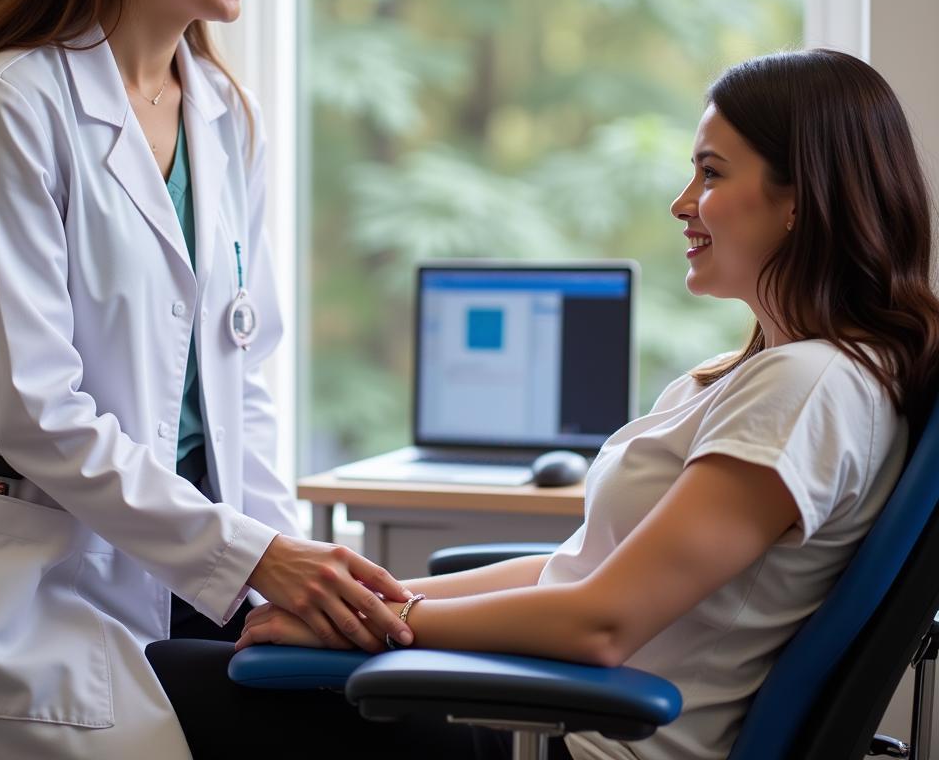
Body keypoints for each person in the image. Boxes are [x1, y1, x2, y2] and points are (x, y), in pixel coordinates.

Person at [147, 48, 939, 760]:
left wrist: (376, 626)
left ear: (799, 199)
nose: (682, 201)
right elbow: (582, 573)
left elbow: (600, 622)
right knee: (191, 668)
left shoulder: (809, 388)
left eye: (711, 172)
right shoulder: (777, 375)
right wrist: (375, 599)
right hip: (563, 712)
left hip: (586, 742)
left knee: (158, 683)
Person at [0, 0, 418, 760]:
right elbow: (39, 414)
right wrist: (256, 557)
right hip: (38, 597)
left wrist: (284, 574)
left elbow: (247, 380)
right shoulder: (12, 108)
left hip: (198, 580)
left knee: (395, 716)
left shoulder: (225, 116)